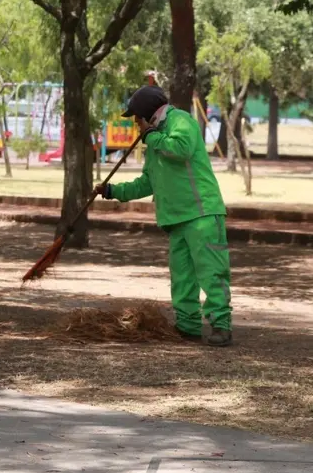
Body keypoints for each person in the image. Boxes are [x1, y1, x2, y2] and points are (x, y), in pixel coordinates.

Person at [95, 85, 233, 347]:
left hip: (202, 213)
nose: (136, 123)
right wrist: (113, 191)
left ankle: (221, 326)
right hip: (176, 220)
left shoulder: (181, 121)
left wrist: (151, 138)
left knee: (212, 274)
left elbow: (180, 149)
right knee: (182, 278)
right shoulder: (155, 139)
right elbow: (148, 182)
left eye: (137, 117)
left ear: (148, 113)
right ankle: (188, 326)